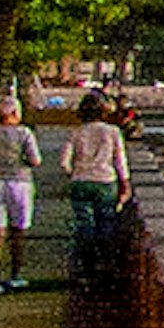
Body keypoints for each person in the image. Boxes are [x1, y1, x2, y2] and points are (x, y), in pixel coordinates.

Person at [60, 91, 130, 294]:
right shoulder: (112, 132)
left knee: (84, 226)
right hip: (105, 182)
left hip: (80, 182)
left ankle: (86, 268)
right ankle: (105, 269)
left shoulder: (75, 132)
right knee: (105, 224)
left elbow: (64, 163)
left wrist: (74, 173)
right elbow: (120, 161)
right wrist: (125, 183)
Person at [0, 94, 42, 293]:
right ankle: (15, 276)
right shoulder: (24, 134)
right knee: (18, 232)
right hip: (19, 183)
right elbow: (35, 160)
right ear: (15, 113)